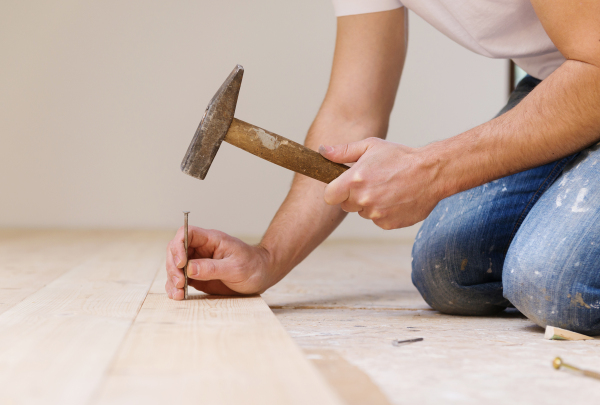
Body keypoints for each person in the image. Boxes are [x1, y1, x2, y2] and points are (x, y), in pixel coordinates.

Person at [166, 1, 600, 335]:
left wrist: (432, 170)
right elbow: (353, 111)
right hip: (565, 79)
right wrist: (268, 258)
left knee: (552, 281)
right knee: (447, 269)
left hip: (592, 74)